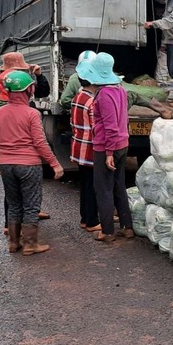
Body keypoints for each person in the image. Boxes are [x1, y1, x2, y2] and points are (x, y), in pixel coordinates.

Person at [0, 70, 64, 256]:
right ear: (29, 89)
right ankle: (30, 244)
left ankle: (14, 243)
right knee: (31, 205)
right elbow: (39, 142)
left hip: (7, 165)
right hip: (28, 165)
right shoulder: (32, 113)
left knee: (14, 204)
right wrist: (55, 163)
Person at [0, 52, 51, 236]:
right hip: (20, 152)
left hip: (8, 156)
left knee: (15, 193)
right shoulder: (8, 83)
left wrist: (39, 76)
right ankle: (19, 230)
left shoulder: (14, 85)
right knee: (16, 194)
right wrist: (53, 162)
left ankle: (16, 231)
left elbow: (43, 92)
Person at [79, 52, 134, 242]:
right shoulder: (120, 90)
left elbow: (110, 126)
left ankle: (108, 231)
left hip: (106, 147)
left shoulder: (104, 95)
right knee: (119, 185)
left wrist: (108, 153)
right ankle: (127, 227)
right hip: (122, 144)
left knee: (103, 188)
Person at [61, 50, 173, 119]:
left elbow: (65, 100)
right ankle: (163, 109)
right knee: (132, 95)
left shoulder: (74, 78)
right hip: (109, 111)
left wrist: (80, 106)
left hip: (94, 113)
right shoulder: (104, 77)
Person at [69, 61, 100, 233]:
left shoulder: (77, 98)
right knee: (93, 187)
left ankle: (84, 218)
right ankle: (92, 221)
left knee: (85, 185)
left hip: (79, 147)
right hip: (90, 150)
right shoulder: (92, 102)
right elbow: (96, 128)